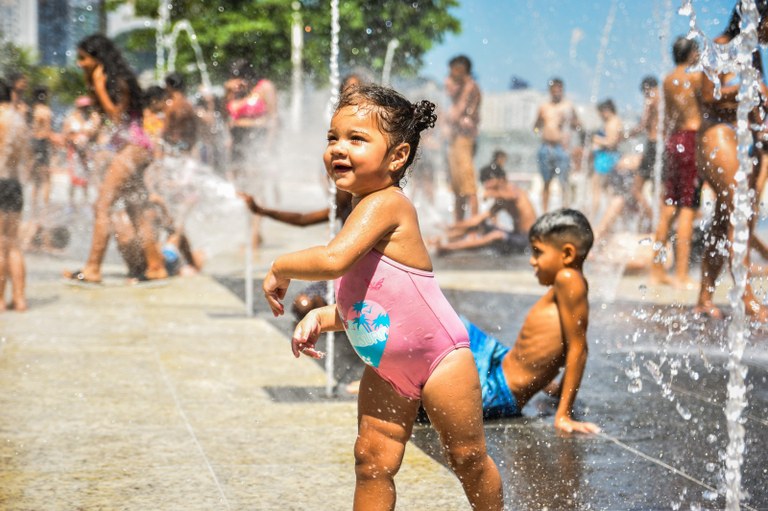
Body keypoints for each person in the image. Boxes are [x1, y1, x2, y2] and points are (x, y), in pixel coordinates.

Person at [263, 84, 503, 510]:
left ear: (397, 157)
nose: (339, 148)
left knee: (466, 457)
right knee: (372, 461)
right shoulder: (361, 212)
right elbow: (372, 304)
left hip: (441, 359)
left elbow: (334, 260)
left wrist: (282, 266)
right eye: (333, 138)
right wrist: (323, 317)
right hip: (389, 368)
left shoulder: (386, 204)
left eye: (357, 139)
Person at [463, 209, 599, 433]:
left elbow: (578, 348)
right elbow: (567, 343)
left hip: (498, 389)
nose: (532, 261)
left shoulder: (568, 279)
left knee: (430, 388)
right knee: (452, 326)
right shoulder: (566, 282)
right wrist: (557, 389)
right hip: (499, 359)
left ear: (567, 254)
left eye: (538, 252)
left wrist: (563, 414)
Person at [64, 34, 167, 284]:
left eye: (83, 58)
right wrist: (93, 82)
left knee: (102, 206)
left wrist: (98, 85)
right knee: (137, 210)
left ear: (98, 59)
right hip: (135, 148)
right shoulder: (108, 80)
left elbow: (118, 118)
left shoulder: (116, 81)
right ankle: (155, 266)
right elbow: (106, 115)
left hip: (134, 148)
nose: (79, 63)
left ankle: (93, 268)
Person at [694, 3, 768, 320]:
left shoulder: (754, 54)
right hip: (716, 134)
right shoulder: (719, 47)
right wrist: (748, 90)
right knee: (738, 207)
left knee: (729, 217)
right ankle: (746, 296)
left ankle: (705, 298)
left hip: (744, 140)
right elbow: (708, 96)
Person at [651, 37, 703, 289]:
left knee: (669, 206)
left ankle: (657, 270)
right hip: (692, 139)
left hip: (673, 142)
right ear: (692, 53)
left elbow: (667, 117)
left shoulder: (667, 80)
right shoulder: (696, 78)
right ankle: (681, 274)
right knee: (688, 207)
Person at [434, 154, 537, 256]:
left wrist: (492, 193)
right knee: (479, 225)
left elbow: (513, 196)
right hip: (515, 236)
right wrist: (452, 226)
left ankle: (448, 248)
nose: (486, 185)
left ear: (500, 179)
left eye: (488, 181)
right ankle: (444, 240)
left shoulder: (514, 190)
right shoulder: (501, 201)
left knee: (497, 235)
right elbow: (478, 219)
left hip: (526, 240)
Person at [0, 78, 31, 311]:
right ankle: (20, 298)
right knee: (13, 245)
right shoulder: (19, 119)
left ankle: (0, 299)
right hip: (14, 185)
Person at [533, 78, 582, 212]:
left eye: (559, 89)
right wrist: (540, 131)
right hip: (546, 146)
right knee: (546, 182)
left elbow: (579, 126)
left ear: (562, 90)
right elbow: (535, 127)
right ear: (550, 91)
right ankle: (544, 212)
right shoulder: (544, 107)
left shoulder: (568, 106)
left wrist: (569, 122)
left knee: (564, 182)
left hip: (562, 148)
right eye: (554, 90)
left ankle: (565, 210)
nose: (556, 92)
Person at [445, 55, 482, 222]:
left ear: (461, 70)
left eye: (452, 70)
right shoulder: (463, 87)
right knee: (458, 186)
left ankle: (473, 225)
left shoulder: (470, 86)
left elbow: (457, 113)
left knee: (468, 184)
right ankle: (459, 224)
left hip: (464, 140)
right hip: (457, 139)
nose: (450, 75)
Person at [625, 76, 660, 228]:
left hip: (653, 145)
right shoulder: (664, 98)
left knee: (636, 189)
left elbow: (643, 125)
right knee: (658, 189)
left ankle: (654, 221)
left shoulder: (650, 99)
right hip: (665, 145)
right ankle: (657, 223)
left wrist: (627, 134)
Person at [62, 95, 102, 206]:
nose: (85, 110)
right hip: (74, 151)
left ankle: (86, 201)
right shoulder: (71, 118)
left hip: (89, 151)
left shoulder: (94, 117)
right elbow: (65, 135)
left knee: (87, 178)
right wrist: (74, 139)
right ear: (78, 107)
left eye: (87, 107)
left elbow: (96, 133)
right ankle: (71, 203)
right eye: (83, 107)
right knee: (73, 178)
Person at [590, 99, 623, 220]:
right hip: (609, 157)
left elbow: (611, 143)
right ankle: (609, 219)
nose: (600, 116)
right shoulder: (615, 121)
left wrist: (596, 139)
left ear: (606, 111)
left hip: (606, 158)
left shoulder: (613, 122)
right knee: (608, 189)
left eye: (600, 112)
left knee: (597, 189)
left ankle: (593, 218)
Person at [30, 86, 55, 214]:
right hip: (42, 144)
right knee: (46, 179)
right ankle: (45, 208)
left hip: (32, 144)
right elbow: (47, 131)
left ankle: (33, 207)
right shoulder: (45, 110)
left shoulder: (32, 109)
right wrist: (56, 142)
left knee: (35, 179)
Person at [162, 72, 198, 155]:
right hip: (188, 144)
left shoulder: (170, 104)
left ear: (169, 86)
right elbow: (194, 127)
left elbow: (166, 129)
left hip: (174, 144)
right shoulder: (189, 104)